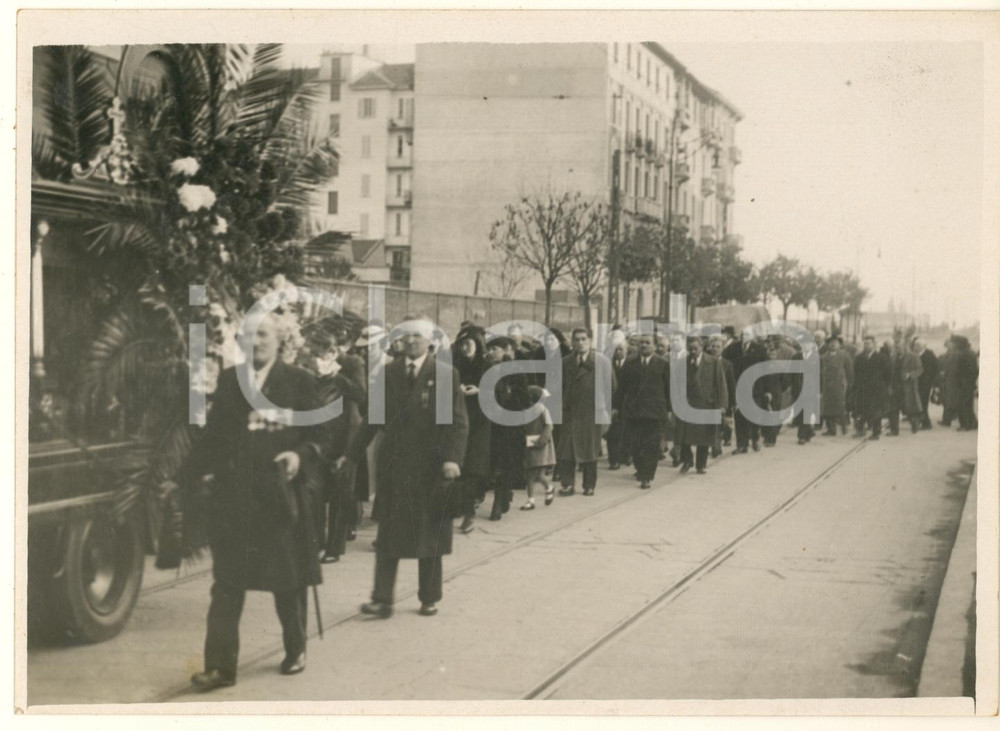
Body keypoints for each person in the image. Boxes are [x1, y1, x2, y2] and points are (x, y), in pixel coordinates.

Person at [185, 314, 331, 691]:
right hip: (234, 499)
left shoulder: (299, 380)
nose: (256, 341)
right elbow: (215, 436)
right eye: (248, 335)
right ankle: (219, 668)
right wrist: (185, 475)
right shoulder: (233, 379)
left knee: (287, 580)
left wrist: (300, 455)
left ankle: (296, 648)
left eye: (262, 334)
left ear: (279, 339)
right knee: (227, 583)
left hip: (279, 497)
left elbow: (321, 434)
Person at [341, 315, 468, 618]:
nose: (411, 342)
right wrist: (352, 454)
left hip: (432, 467)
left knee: (431, 536)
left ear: (430, 341)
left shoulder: (446, 374)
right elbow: (373, 419)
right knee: (389, 537)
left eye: (417, 336)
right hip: (396, 466)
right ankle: (382, 599)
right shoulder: (388, 373)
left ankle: (429, 596)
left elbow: (458, 423)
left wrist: (452, 459)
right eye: (406, 336)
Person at [314, 327, 366, 564]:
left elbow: (360, 394)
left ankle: (334, 548)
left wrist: (336, 375)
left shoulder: (352, 362)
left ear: (334, 350)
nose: (319, 356)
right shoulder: (309, 365)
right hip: (318, 435)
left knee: (340, 491)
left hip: (344, 436)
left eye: (323, 351)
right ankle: (316, 543)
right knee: (315, 491)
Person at [558, 327, 614, 496]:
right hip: (569, 412)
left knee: (590, 450)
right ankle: (567, 484)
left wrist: (601, 404)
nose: (580, 343)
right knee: (567, 450)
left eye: (584, 339)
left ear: (591, 341)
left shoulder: (601, 361)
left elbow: (611, 385)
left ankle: (589, 485)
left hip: (591, 412)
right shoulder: (566, 362)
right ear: (572, 342)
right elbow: (560, 386)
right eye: (577, 339)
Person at [486, 335, 530, 519]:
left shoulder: (516, 371)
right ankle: (503, 495)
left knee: (505, 464)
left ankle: (499, 500)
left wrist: (506, 396)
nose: (490, 352)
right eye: (489, 349)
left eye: (494, 349)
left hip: (509, 425)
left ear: (505, 350)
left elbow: (524, 399)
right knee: (492, 464)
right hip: (489, 425)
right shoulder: (485, 369)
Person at [619, 333, 671, 489]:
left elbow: (669, 389)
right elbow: (622, 388)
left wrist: (669, 410)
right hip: (633, 412)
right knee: (635, 444)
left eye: (647, 343)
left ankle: (646, 476)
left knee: (651, 445)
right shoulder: (630, 363)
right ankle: (640, 468)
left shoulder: (663, 364)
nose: (643, 345)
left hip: (654, 413)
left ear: (654, 346)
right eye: (641, 343)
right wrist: (617, 407)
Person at [453, 324, 490, 534]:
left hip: (480, 423)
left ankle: (469, 514)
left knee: (472, 469)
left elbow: (498, 392)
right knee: (458, 467)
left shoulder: (487, 365)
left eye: (469, 344)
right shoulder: (454, 365)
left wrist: (479, 390)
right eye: (462, 344)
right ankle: (460, 509)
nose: (466, 348)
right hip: (458, 420)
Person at [674, 335, 728, 475]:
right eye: (690, 349)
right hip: (687, 405)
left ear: (702, 348)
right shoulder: (681, 363)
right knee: (684, 436)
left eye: (695, 349)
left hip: (706, 404)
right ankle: (687, 460)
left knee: (704, 437)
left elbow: (721, 384)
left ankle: (701, 464)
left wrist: (722, 404)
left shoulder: (713, 362)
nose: (693, 352)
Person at [723, 331, 768, 454]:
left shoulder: (759, 349)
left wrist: (765, 389)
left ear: (753, 336)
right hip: (738, 387)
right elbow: (725, 362)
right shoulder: (733, 348)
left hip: (755, 388)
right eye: (743, 334)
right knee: (739, 417)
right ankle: (741, 444)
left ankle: (755, 439)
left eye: (748, 334)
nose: (745, 336)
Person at [521, 385, 556, 509]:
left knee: (534, 474)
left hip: (540, 446)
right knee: (532, 474)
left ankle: (536, 497)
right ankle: (545, 491)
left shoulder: (542, 410)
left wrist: (542, 440)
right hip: (530, 444)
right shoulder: (527, 410)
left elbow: (549, 426)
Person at [852, 335, 890, 440]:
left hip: (876, 389)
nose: (866, 345)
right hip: (862, 389)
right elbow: (856, 373)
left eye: (868, 343)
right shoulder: (859, 358)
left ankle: (876, 432)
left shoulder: (881, 357)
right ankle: (860, 430)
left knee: (875, 412)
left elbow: (887, 374)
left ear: (874, 344)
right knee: (860, 410)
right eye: (865, 343)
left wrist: (883, 386)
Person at [706, 334, 736, 453]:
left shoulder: (727, 365)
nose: (715, 349)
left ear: (722, 348)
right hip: (708, 398)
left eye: (718, 346)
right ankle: (714, 446)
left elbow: (731, 384)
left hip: (722, 398)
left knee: (720, 423)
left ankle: (716, 446)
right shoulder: (705, 362)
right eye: (713, 346)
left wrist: (733, 402)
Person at [605, 334, 630, 470]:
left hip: (627, 403)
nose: (618, 352)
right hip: (612, 403)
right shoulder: (608, 364)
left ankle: (626, 455)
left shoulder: (632, 363)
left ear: (626, 349)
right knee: (612, 433)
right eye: (615, 349)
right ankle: (613, 459)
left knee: (626, 431)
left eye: (620, 349)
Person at [820, 336, 850, 435]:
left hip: (839, 385)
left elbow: (849, 371)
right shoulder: (823, 357)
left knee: (840, 408)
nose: (833, 344)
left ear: (839, 344)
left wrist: (848, 384)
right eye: (831, 343)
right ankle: (831, 429)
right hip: (827, 386)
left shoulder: (844, 355)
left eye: (835, 343)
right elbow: (820, 372)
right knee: (827, 409)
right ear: (828, 344)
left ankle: (844, 427)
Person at [952, 335, 979, 431]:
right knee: (967, 404)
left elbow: (972, 371)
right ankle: (973, 423)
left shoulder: (966, 354)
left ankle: (965, 425)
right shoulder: (968, 352)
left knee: (963, 404)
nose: (953, 345)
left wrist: (965, 382)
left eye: (955, 343)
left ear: (960, 344)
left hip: (965, 384)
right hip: (967, 383)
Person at [899, 339, 925, 434]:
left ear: (906, 348)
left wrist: (910, 375)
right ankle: (913, 422)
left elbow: (920, 369)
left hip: (911, 385)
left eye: (901, 348)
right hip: (901, 384)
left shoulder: (914, 356)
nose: (899, 350)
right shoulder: (899, 357)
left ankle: (915, 424)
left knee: (913, 405)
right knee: (905, 406)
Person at [914, 337, 939, 430]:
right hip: (919, 383)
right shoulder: (917, 354)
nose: (915, 347)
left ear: (923, 346)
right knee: (920, 402)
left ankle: (926, 423)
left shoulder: (929, 355)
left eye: (918, 345)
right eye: (915, 345)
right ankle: (923, 421)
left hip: (925, 383)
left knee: (923, 402)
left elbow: (934, 368)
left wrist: (932, 381)